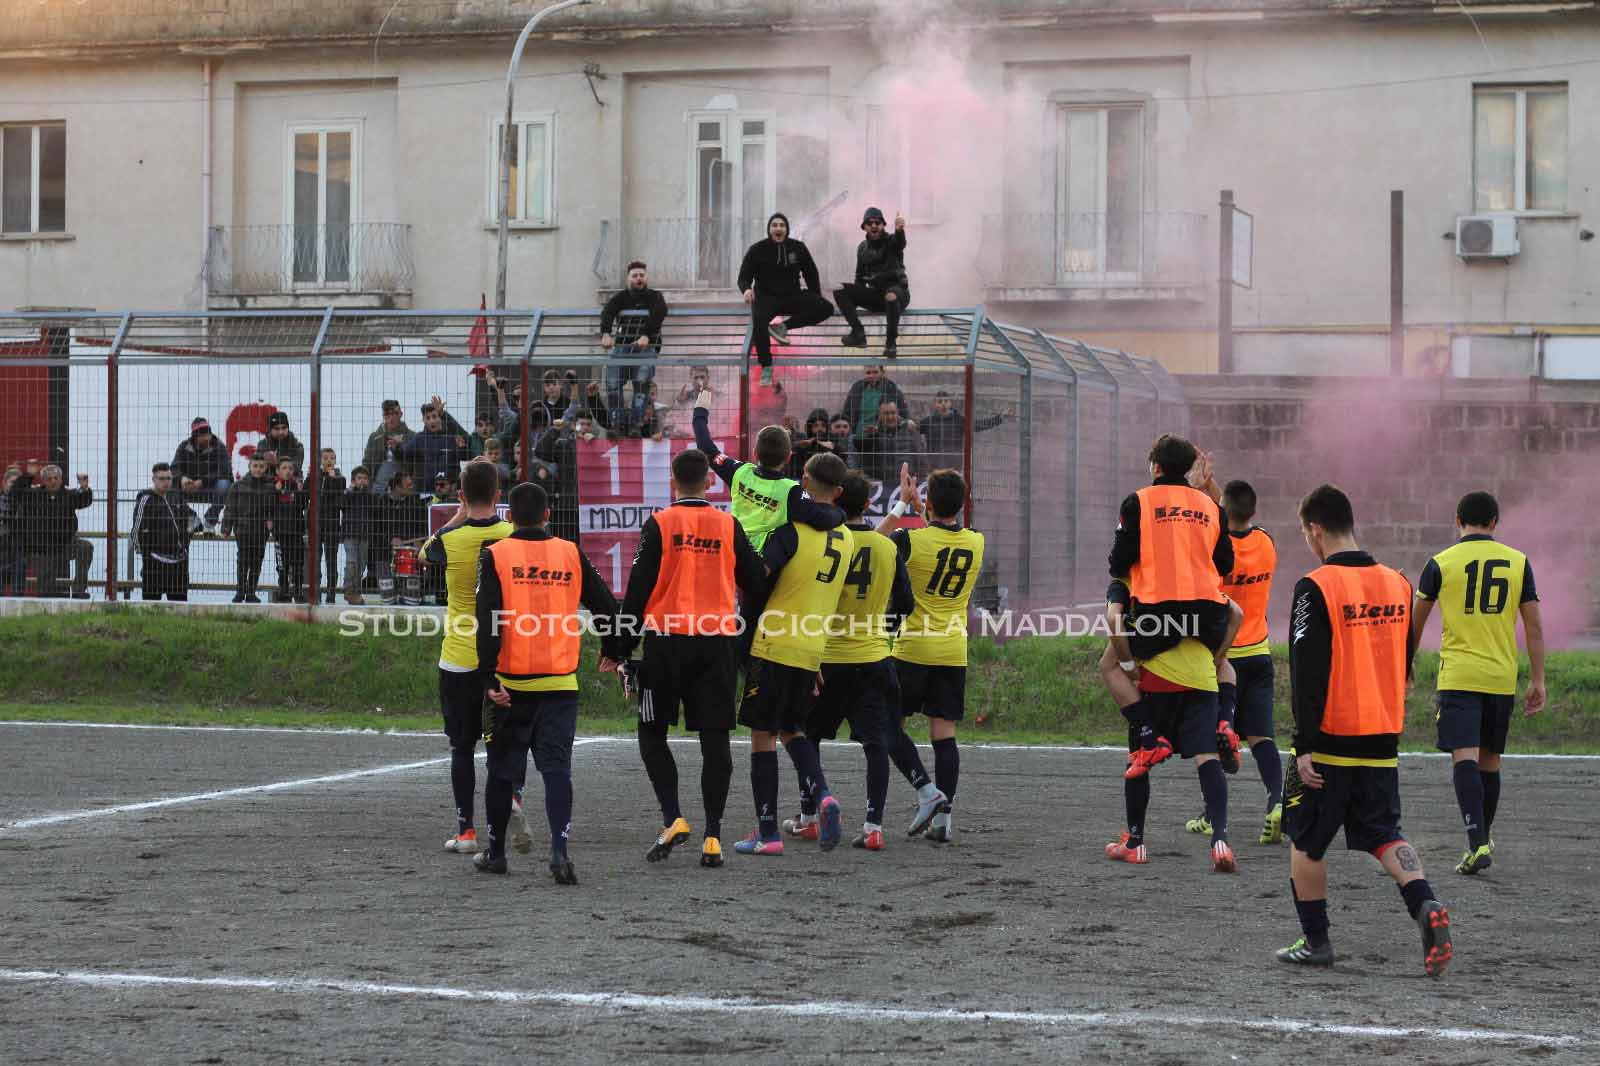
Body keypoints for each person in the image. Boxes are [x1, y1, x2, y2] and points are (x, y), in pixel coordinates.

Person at [1278, 484, 1452, 977]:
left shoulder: (1315, 586)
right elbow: (1404, 658)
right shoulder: (1397, 583)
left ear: (1314, 529)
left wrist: (1304, 744)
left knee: (1306, 840)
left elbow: (1306, 669)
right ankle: (1426, 902)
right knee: (1383, 833)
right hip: (1381, 736)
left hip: (1331, 739)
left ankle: (1316, 943)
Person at [602, 448, 768, 868]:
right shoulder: (728, 523)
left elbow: (637, 591)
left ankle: (673, 817)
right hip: (716, 643)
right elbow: (757, 581)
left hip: (666, 642)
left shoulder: (660, 523)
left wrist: (618, 647)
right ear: (710, 483)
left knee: (651, 730)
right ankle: (713, 836)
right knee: (715, 739)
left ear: (672, 482)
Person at [472, 481, 621, 881]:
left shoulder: (496, 554)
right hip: (560, 684)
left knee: (502, 772)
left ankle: (496, 853)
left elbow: (487, 619)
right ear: (547, 515)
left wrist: (487, 675)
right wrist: (615, 648)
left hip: (510, 685)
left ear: (508, 518)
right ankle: (559, 851)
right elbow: (606, 604)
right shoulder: (569, 552)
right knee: (557, 772)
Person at [1409, 490, 1545, 876]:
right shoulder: (1518, 562)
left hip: (1459, 676)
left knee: (1463, 758)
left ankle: (1476, 842)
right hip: (1500, 677)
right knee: (1490, 761)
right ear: (1495, 523)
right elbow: (1534, 626)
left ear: (1457, 520)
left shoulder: (1440, 563)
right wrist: (1538, 679)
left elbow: (1417, 621)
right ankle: (1482, 838)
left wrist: (1406, 664)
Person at [783, 470, 914, 852]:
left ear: (834, 500)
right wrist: (881, 629)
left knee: (808, 735)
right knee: (875, 743)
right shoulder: (887, 547)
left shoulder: (824, 540)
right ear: (868, 504)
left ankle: (808, 816)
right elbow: (905, 603)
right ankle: (873, 825)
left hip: (823, 657)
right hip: (873, 657)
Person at [733, 451, 853, 855]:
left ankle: (767, 834)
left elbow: (758, 578)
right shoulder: (846, 537)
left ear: (802, 478)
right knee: (792, 730)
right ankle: (823, 796)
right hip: (811, 645)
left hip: (773, 641)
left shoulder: (790, 530)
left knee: (762, 735)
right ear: (837, 492)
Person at [1108, 434, 1237, 780]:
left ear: (1156, 466)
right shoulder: (1210, 506)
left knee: (1111, 665)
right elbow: (1225, 564)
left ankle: (1149, 734)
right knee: (1223, 660)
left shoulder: (1138, 502)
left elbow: (1119, 562)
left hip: (1157, 616)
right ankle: (1226, 719)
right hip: (1208, 617)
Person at [871, 466, 984, 845]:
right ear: (962, 503)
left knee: (889, 728)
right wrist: (926, 509)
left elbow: (871, 544)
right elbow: (944, 536)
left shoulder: (909, 539)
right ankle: (944, 820)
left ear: (929, 500)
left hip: (912, 647)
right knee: (944, 735)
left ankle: (925, 790)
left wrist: (904, 505)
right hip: (953, 649)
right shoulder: (976, 542)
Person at [1102, 576, 1243, 871]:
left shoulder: (1131, 580)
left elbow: (1114, 620)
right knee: (1208, 758)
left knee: (1138, 756)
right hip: (1202, 679)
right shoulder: (1195, 577)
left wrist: (1130, 666)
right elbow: (1237, 614)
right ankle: (1220, 841)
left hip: (1155, 684)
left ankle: (1136, 843)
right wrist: (1218, 657)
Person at [1184, 478, 1286, 846]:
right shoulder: (1266, 543)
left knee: (1209, 741)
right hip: (1258, 653)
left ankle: (1212, 817)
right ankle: (1276, 800)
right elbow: (1229, 513)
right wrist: (1213, 486)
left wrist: (1200, 488)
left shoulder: (1215, 548)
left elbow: (1213, 520)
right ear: (1254, 511)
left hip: (1221, 657)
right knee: (1262, 736)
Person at [421, 461, 516, 857]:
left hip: (459, 655)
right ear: (498, 495)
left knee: (462, 747)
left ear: (461, 495)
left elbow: (427, 554)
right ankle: (505, 816)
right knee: (502, 747)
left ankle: (466, 831)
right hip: (505, 656)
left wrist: (458, 515)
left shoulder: (450, 540)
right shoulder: (512, 536)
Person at [691, 388, 843, 553]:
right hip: (764, 567)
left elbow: (706, 447)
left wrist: (700, 413)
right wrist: (842, 513)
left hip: (732, 552)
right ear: (788, 457)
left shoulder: (738, 472)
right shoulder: (792, 492)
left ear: (755, 453)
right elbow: (824, 520)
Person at [737, 212, 833, 387]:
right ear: (769, 229)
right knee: (759, 319)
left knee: (826, 308)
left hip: (792, 295)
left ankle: (782, 327)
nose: (778, 228)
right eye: (775, 225)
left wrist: (815, 296)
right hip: (767, 297)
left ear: (787, 229)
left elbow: (811, 272)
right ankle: (766, 367)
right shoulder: (757, 249)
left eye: (782, 225)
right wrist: (746, 290)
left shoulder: (798, 247)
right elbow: (743, 277)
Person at [6, 463, 95, 599]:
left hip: (65, 545)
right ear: (43, 481)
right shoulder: (34, 495)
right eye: (49, 479)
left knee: (85, 547)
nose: (53, 481)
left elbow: (85, 501)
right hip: (41, 549)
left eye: (56, 478)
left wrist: (84, 487)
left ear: (61, 479)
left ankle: (79, 591)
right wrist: (29, 475)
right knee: (47, 592)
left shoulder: (68, 495)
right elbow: (14, 493)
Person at [834, 207, 909, 359]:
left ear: (883, 225)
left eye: (878, 222)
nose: (874, 226)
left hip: (897, 291)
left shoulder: (891, 241)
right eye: (869, 223)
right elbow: (859, 277)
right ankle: (858, 333)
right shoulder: (862, 248)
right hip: (876, 295)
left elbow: (900, 243)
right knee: (839, 289)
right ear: (864, 227)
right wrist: (851, 301)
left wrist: (900, 230)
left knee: (891, 296)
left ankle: (890, 343)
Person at [599, 261, 669, 409]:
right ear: (628, 279)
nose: (639, 278)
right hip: (623, 347)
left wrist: (646, 335)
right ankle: (618, 422)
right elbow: (608, 311)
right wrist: (605, 333)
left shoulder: (655, 296)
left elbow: (659, 312)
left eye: (641, 275)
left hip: (646, 348)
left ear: (646, 278)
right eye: (635, 275)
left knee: (641, 385)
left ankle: (637, 422)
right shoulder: (621, 297)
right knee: (612, 383)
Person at [131, 462, 199, 601]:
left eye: (169, 478)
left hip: (179, 563)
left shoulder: (176, 497)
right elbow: (137, 529)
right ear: (154, 479)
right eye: (161, 479)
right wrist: (145, 555)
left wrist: (186, 539)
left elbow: (194, 519)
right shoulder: (146, 499)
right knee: (152, 608)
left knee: (179, 608)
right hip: (154, 563)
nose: (166, 482)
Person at [222, 453, 274, 603]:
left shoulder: (270, 487)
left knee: (257, 561)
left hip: (261, 530)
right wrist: (226, 528)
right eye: (255, 466)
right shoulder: (238, 486)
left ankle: (251, 592)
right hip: (243, 529)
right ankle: (240, 591)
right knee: (243, 560)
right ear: (249, 466)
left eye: (262, 466)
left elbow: (273, 508)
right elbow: (230, 508)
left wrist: (271, 522)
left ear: (266, 467)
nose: (258, 469)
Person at [921, 390, 1007, 472]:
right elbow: (914, 428)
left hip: (954, 467)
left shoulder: (959, 420)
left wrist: (998, 419)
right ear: (935, 404)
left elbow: (977, 425)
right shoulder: (928, 421)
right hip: (934, 468)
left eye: (946, 401)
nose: (943, 404)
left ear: (950, 403)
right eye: (940, 402)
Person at [172, 416, 232, 531]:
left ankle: (210, 521)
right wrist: (183, 479)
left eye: (207, 434)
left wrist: (202, 481)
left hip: (210, 488)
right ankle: (191, 518)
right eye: (202, 435)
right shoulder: (184, 446)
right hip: (189, 487)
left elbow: (225, 471)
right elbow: (174, 468)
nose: (206, 437)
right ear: (195, 437)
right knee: (168, 485)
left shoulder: (219, 446)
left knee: (225, 484)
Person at [378, 471, 427, 605]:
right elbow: (374, 529)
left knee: (412, 602)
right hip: (384, 554)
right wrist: (389, 539)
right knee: (388, 601)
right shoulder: (380, 503)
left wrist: (419, 541)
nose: (412, 487)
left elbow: (422, 526)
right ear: (397, 487)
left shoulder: (416, 503)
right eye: (408, 485)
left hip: (410, 555)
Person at [398, 398, 470, 486]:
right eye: (428, 418)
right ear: (423, 421)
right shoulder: (419, 438)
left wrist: (462, 448)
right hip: (428, 490)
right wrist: (396, 447)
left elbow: (466, 454)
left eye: (434, 416)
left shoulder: (453, 436)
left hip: (450, 490)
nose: (432, 421)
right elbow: (403, 454)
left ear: (440, 417)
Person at [855, 399, 929, 483]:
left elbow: (921, 458)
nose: (890, 417)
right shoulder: (873, 433)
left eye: (893, 413)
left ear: (897, 413)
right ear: (879, 415)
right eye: (886, 414)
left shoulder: (910, 431)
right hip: (880, 485)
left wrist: (919, 481)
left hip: (907, 483)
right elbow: (865, 464)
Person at [270, 457, 307, 603]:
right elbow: (268, 505)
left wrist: (299, 492)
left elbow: (303, 506)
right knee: (282, 565)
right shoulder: (273, 486)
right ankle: (283, 592)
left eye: (290, 468)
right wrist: (276, 491)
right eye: (284, 468)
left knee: (298, 564)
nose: (287, 471)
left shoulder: (297, 486)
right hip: (280, 533)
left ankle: (298, 592)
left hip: (296, 532)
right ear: (278, 471)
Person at [362, 400, 415, 495]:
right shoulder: (374, 438)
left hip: (403, 490)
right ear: (383, 416)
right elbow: (366, 464)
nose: (391, 417)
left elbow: (414, 465)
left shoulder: (412, 437)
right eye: (387, 414)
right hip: (377, 490)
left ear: (401, 414)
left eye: (394, 413)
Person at [340, 466, 376, 604]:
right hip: (350, 533)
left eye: (365, 479)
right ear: (353, 480)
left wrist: (367, 493)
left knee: (361, 564)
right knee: (352, 562)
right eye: (359, 478)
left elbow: (375, 510)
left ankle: (355, 591)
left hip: (365, 534)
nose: (362, 481)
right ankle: (348, 590)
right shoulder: (348, 494)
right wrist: (351, 491)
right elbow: (342, 505)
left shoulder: (370, 496)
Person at [841, 365, 909, 438]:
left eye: (875, 372)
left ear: (882, 373)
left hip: (882, 436)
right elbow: (846, 411)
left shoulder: (891, 389)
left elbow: (903, 413)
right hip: (858, 435)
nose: (871, 376)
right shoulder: (857, 388)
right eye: (868, 373)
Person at [315, 450, 346, 605]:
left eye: (332, 458)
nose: (329, 461)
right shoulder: (315, 476)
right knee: (316, 560)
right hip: (316, 524)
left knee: (331, 561)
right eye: (325, 458)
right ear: (320, 460)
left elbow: (337, 493)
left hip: (332, 524)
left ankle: (331, 593)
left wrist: (331, 478)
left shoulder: (340, 478)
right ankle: (316, 592)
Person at [787, 408, 836, 480]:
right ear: (810, 428)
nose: (820, 429)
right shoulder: (803, 446)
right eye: (815, 426)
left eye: (823, 425)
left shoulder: (834, 445)